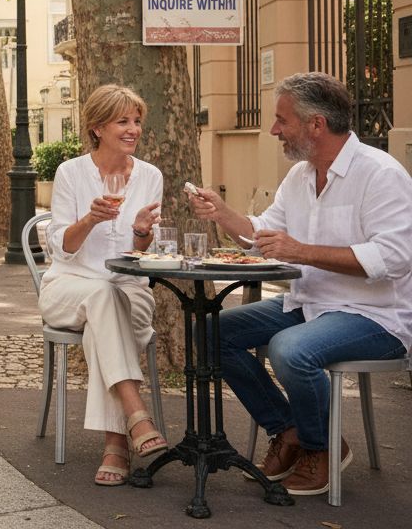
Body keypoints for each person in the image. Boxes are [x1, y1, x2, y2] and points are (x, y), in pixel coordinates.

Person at [188, 72, 411, 496]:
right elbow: (264, 236)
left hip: (377, 317)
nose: (273, 130)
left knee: (292, 349)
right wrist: (222, 213)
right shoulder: (301, 176)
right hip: (309, 304)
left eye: (281, 120)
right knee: (213, 331)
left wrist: (302, 251)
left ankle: (321, 448)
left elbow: (395, 259)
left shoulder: (382, 175)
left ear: (315, 125)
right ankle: (288, 428)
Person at [39, 84, 169, 486]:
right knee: (100, 297)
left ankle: (118, 442)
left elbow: (144, 255)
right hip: (70, 286)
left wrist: (144, 234)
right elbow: (62, 247)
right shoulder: (70, 173)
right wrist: (90, 220)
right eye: (122, 121)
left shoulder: (150, 176)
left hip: (128, 287)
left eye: (136, 121)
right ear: (97, 128)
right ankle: (135, 414)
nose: (133, 129)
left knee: (109, 306)